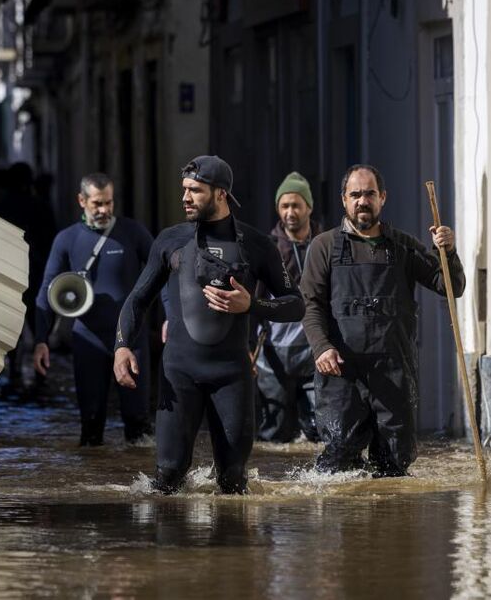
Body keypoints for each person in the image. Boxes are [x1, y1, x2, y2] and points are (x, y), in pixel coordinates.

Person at [113, 155, 305, 494]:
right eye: (184, 189)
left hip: (231, 375)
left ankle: (230, 547)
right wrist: (122, 346)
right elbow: (137, 299)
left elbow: (295, 305)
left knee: (233, 480)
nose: (185, 198)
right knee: (168, 476)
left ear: (221, 194)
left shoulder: (258, 245)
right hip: (179, 372)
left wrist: (253, 305)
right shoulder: (171, 240)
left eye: (195, 191)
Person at [299, 164, 465, 477]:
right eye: (356, 194)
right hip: (341, 373)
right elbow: (310, 305)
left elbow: (451, 286)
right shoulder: (324, 247)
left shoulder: (403, 247)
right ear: (344, 200)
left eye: (370, 194)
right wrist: (321, 347)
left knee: (394, 466)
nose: (363, 201)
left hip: (393, 374)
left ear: (382, 198)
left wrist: (449, 252)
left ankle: (390, 525)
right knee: (338, 464)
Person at [34, 173, 154, 446]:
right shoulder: (66, 240)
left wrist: (171, 317)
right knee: (90, 426)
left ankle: (145, 487)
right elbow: (46, 290)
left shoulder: (133, 233)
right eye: (97, 203)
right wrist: (41, 340)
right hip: (88, 340)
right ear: (81, 200)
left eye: (108, 203)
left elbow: (164, 273)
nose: (104, 210)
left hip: (131, 339)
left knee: (139, 427)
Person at [255, 171, 322, 443]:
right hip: (274, 356)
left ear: (309, 207)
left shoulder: (326, 244)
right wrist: (248, 350)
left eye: (296, 205)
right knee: (274, 436)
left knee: (321, 432)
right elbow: (253, 301)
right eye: (285, 206)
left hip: (315, 353)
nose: (290, 212)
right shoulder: (267, 249)